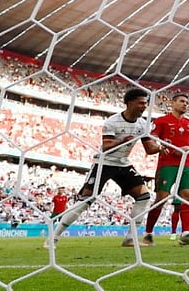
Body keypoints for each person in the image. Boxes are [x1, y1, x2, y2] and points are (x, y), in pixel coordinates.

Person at [45, 88, 160, 248]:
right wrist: (123, 141)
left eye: (145, 104)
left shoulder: (142, 124)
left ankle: (130, 238)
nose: (144, 107)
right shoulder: (112, 122)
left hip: (123, 164)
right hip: (104, 163)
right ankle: (53, 238)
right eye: (141, 103)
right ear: (130, 103)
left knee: (144, 197)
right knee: (85, 201)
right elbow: (106, 147)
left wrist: (161, 146)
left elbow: (149, 149)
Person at [142, 93, 189, 246]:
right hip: (167, 163)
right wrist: (160, 147)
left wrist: (187, 148)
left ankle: (186, 233)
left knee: (188, 196)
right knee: (161, 197)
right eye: (182, 101)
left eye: (187, 102)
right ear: (173, 103)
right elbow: (151, 139)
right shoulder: (162, 121)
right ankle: (148, 232)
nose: (185, 104)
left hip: (186, 164)